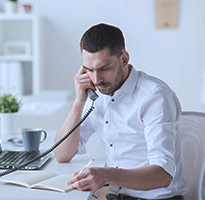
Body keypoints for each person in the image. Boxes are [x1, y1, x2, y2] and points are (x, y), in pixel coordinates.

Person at [54, 23, 186, 200]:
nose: (96, 79)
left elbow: (163, 174)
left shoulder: (154, 97)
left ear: (124, 59)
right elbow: (62, 154)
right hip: (120, 196)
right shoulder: (97, 94)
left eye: (104, 68)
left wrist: (107, 175)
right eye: (89, 70)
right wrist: (79, 102)